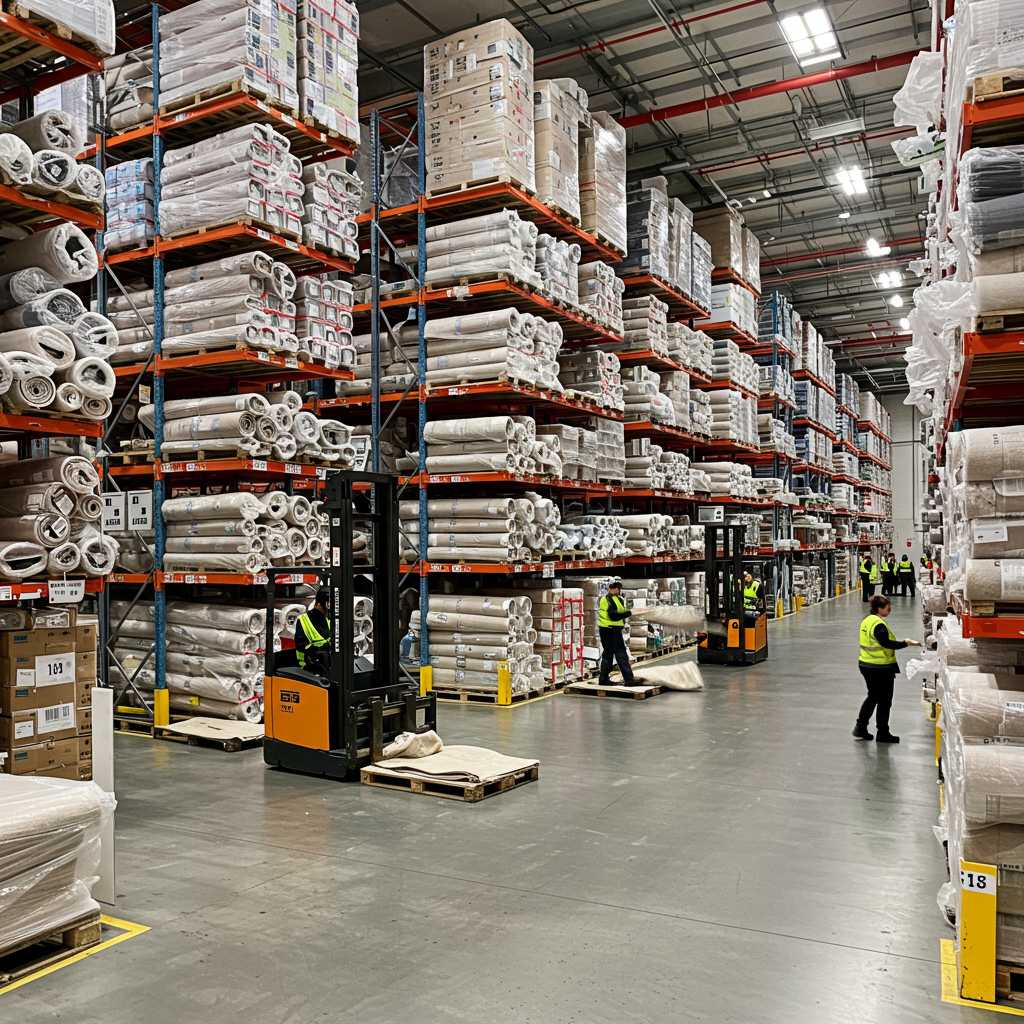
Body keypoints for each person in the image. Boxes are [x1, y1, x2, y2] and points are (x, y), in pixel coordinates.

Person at [853, 594, 921, 743]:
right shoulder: (878, 624)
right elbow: (886, 643)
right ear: (879, 608)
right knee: (884, 701)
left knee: (873, 696)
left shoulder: (867, 620)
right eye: (887, 608)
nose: (889, 610)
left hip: (866, 663)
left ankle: (861, 727)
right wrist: (906, 643)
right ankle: (882, 732)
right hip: (880, 668)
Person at [598, 580, 645, 687]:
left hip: (612, 629)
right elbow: (613, 615)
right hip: (609, 629)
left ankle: (603, 678)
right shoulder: (607, 599)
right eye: (615, 588)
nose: (617, 590)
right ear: (610, 589)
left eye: (618, 588)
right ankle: (629, 679)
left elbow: (622, 612)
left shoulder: (618, 599)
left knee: (608, 653)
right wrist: (629, 613)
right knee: (621, 652)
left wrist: (633, 612)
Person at [276, 588, 332, 673]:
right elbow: (302, 645)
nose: (328, 608)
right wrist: (320, 648)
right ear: (318, 604)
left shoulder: (330, 619)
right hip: (309, 665)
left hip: (328, 663)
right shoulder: (303, 620)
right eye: (327, 604)